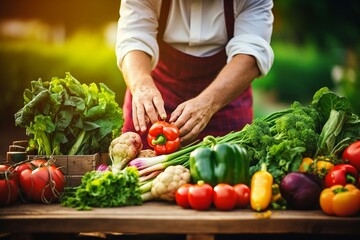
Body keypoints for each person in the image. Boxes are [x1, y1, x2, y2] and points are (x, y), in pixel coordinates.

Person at [116, 0, 274, 148]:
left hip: (226, 102)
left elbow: (251, 52)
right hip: (156, 99)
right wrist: (141, 85)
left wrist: (210, 102)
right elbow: (133, 37)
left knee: (233, 174)